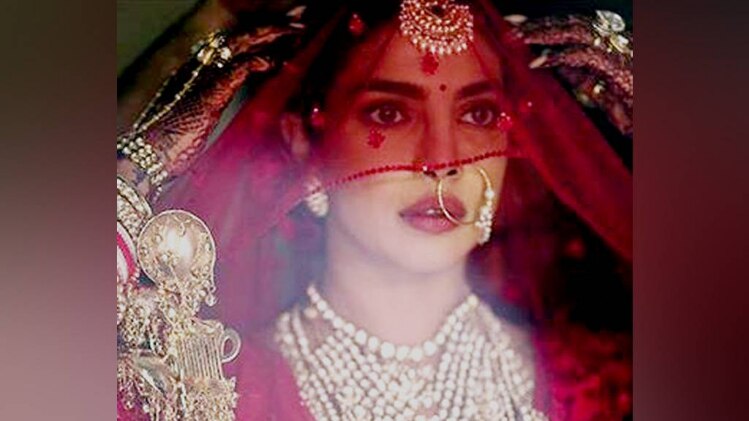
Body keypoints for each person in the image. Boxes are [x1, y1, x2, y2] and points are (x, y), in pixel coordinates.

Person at [116, 0, 632, 420]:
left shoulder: (598, 381)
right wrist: (142, 161)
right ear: (304, 146)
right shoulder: (202, 389)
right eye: (389, 113)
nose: (442, 160)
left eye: (478, 114)